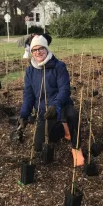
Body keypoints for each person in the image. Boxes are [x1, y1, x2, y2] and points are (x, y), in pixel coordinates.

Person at [19, 34, 84, 166]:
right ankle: (62, 127)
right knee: (38, 146)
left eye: (41, 48)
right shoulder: (30, 71)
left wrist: (56, 105)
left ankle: (76, 147)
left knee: (72, 115)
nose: (38, 52)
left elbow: (64, 90)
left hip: (61, 106)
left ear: (46, 49)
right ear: (31, 52)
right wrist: (24, 115)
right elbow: (28, 95)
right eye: (34, 50)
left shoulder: (58, 66)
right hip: (43, 111)